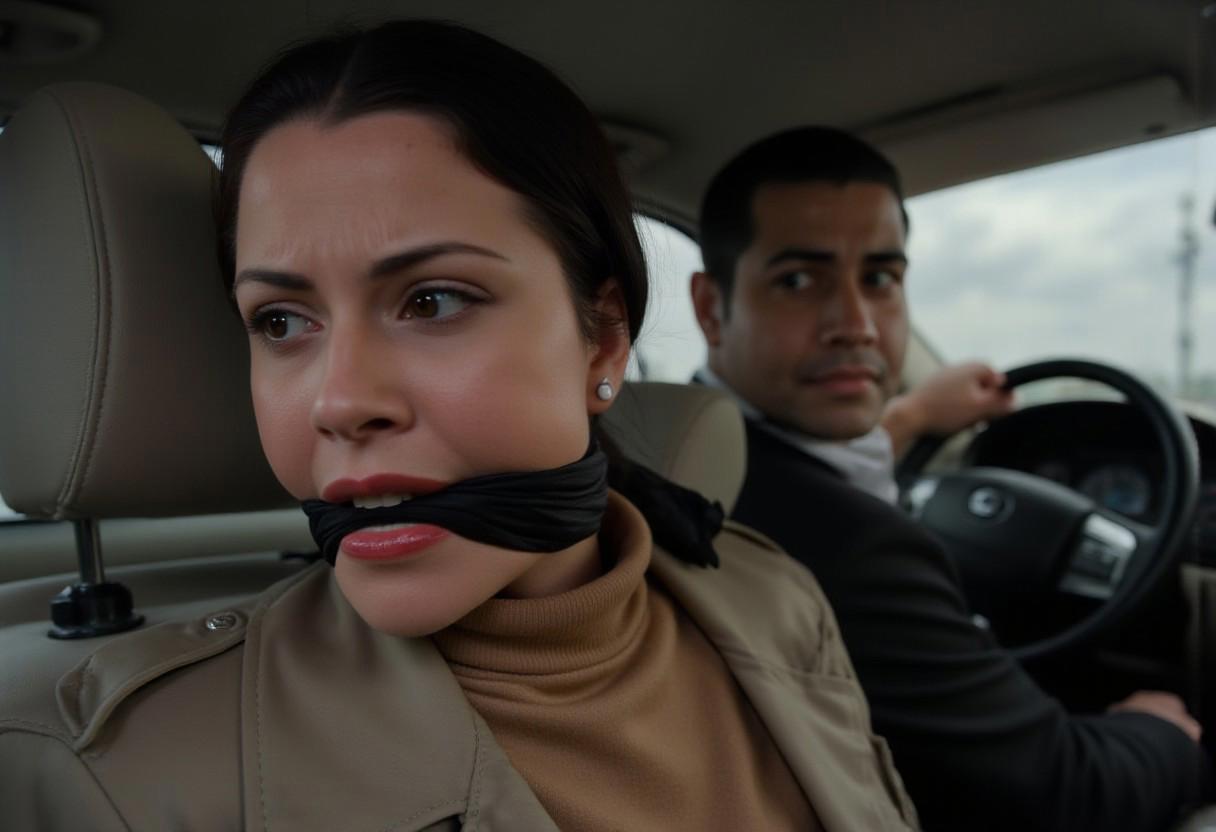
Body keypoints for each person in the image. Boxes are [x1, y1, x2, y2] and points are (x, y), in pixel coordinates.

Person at [0, 24, 920, 830]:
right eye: (281, 322)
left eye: (433, 300)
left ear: (602, 341)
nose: (338, 401)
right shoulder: (119, 782)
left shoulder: (776, 602)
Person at [688, 125, 1212, 831]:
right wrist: (1164, 732)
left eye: (879, 278)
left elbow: (834, 459)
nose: (857, 325)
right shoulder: (846, 548)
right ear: (709, 309)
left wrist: (913, 415)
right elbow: (1064, 795)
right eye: (799, 280)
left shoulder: (694, 465)